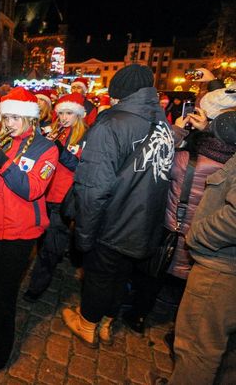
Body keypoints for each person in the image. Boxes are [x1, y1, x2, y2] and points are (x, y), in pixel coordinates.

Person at [62, 65, 174, 347]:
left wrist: (84, 234)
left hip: (113, 219)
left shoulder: (112, 123)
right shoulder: (163, 125)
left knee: (99, 276)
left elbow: (93, 186)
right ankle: (107, 323)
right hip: (143, 221)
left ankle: (87, 324)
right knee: (121, 275)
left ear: (118, 93)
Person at [0, 87, 59, 380]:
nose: (9, 123)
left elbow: (32, 189)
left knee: (2, 296)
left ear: (31, 118)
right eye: (6, 117)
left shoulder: (46, 149)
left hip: (20, 233)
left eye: (16, 117)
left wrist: (2, 162)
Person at [164, 111, 236, 384]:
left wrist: (198, 235)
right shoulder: (225, 158)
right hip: (219, 258)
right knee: (224, 351)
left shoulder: (187, 159)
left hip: (219, 264)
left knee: (196, 349)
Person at [25, 92, 88, 302]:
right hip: (46, 192)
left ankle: (37, 285)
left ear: (78, 114)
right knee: (42, 238)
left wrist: (60, 151)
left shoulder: (85, 136)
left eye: (69, 113)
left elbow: (80, 168)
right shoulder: (55, 131)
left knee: (51, 244)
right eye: (61, 113)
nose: (64, 117)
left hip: (64, 197)